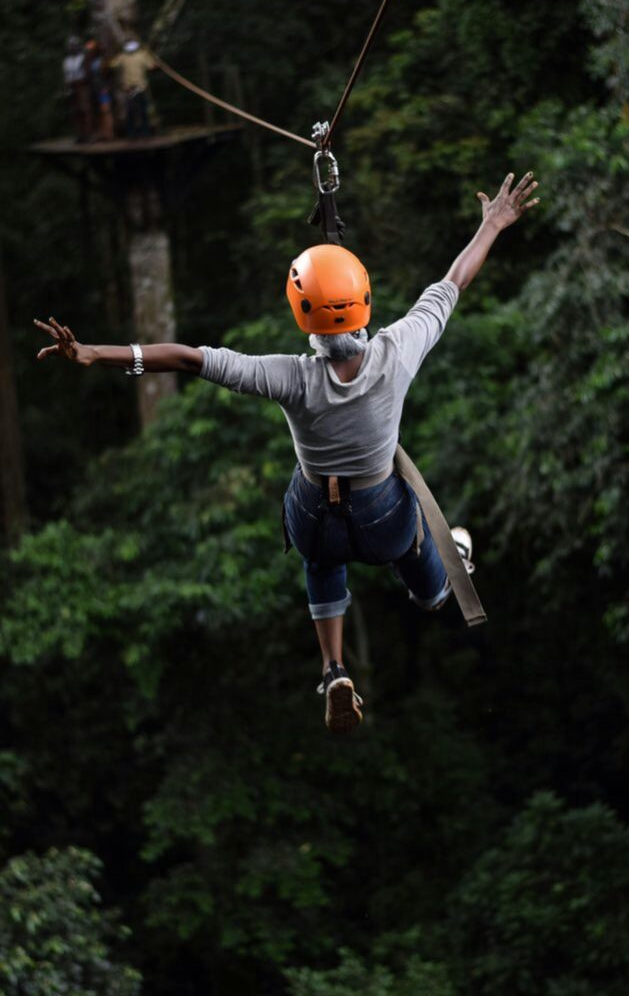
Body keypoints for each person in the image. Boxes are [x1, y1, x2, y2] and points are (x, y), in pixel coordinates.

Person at [34, 171, 540, 733]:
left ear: (303, 316)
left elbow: (189, 359)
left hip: (314, 512)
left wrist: (95, 353)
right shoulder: (400, 350)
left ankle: (333, 669)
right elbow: (454, 280)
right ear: (365, 302)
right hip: (381, 514)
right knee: (418, 554)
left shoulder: (289, 378)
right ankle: (444, 578)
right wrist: (493, 222)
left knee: (321, 558)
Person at [109, 39, 157, 138]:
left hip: (139, 87)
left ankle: (143, 132)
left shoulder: (141, 55)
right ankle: (134, 132)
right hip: (129, 88)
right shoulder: (123, 56)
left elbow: (152, 66)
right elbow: (112, 65)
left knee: (140, 110)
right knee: (132, 111)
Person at [62, 36, 93, 143]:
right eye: (71, 46)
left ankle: (88, 134)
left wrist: (80, 82)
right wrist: (66, 89)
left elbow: (88, 74)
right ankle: (80, 135)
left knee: (85, 111)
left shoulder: (83, 58)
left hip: (82, 86)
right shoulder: (67, 61)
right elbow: (66, 76)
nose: (72, 48)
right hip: (72, 87)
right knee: (75, 112)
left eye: (74, 46)